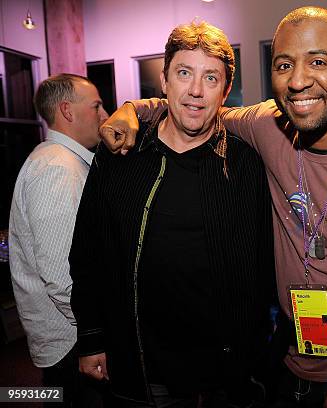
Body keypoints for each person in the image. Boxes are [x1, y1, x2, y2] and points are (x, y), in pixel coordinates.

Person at [101, 7, 327, 407]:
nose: (298, 81)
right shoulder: (269, 126)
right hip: (288, 360)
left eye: (318, 61)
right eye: (284, 65)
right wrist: (134, 110)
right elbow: (201, 109)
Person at [69, 22, 274, 407]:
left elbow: (263, 267)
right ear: (164, 80)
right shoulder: (120, 157)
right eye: (184, 73)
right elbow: (88, 253)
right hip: (144, 367)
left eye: (210, 78)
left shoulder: (247, 166)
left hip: (226, 375)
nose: (196, 90)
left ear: (225, 91)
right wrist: (92, 338)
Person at [9, 74, 109, 407]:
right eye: (96, 105)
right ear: (67, 111)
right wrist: (95, 337)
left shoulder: (64, 162)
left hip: (73, 341)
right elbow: (61, 276)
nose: (104, 114)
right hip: (73, 345)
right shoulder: (57, 168)